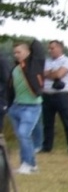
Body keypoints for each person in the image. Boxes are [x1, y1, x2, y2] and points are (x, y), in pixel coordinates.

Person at [7, 41, 44, 175]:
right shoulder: (15, 69)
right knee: (22, 137)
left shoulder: (33, 65)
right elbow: (9, 89)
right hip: (16, 106)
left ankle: (27, 164)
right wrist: (9, 106)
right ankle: (30, 165)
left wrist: (30, 42)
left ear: (28, 52)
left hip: (31, 106)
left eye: (19, 52)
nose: (16, 55)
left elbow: (38, 48)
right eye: (15, 52)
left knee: (24, 134)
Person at [39, 39, 68, 156]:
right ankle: (47, 146)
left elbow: (59, 74)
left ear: (60, 48)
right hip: (47, 94)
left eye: (52, 48)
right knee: (47, 123)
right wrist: (51, 73)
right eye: (49, 48)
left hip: (61, 95)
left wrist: (49, 73)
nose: (50, 51)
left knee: (67, 122)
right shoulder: (46, 61)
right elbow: (41, 74)